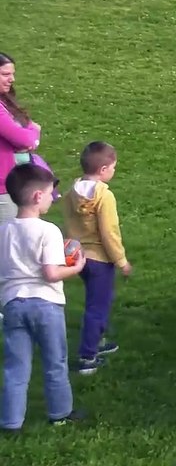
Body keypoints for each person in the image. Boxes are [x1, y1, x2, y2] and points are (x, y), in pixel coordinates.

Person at [1, 163, 86, 431]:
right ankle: (60, 413)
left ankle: (11, 421)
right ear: (38, 197)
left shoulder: (3, 230)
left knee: (16, 366)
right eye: (51, 194)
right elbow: (50, 273)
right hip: (45, 305)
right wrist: (76, 268)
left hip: (12, 304)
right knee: (54, 361)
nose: (53, 198)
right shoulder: (47, 231)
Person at [63, 141, 130, 374]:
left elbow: (69, 223)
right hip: (100, 259)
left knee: (98, 300)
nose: (114, 171)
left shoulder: (72, 192)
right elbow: (109, 232)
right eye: (113, 167)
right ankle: (87, 356)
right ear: (103, 170)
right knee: (97, 306)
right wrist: (121, 261)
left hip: (78, 257)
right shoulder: (105, 197)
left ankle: (97, 342)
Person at [0, 53, 42, 224]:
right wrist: (32, 136)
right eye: (5, 74)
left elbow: (28, 130)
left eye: (12, 74)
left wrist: (29, 134)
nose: (12, 79)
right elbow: (26, 139)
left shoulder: (5, 104)